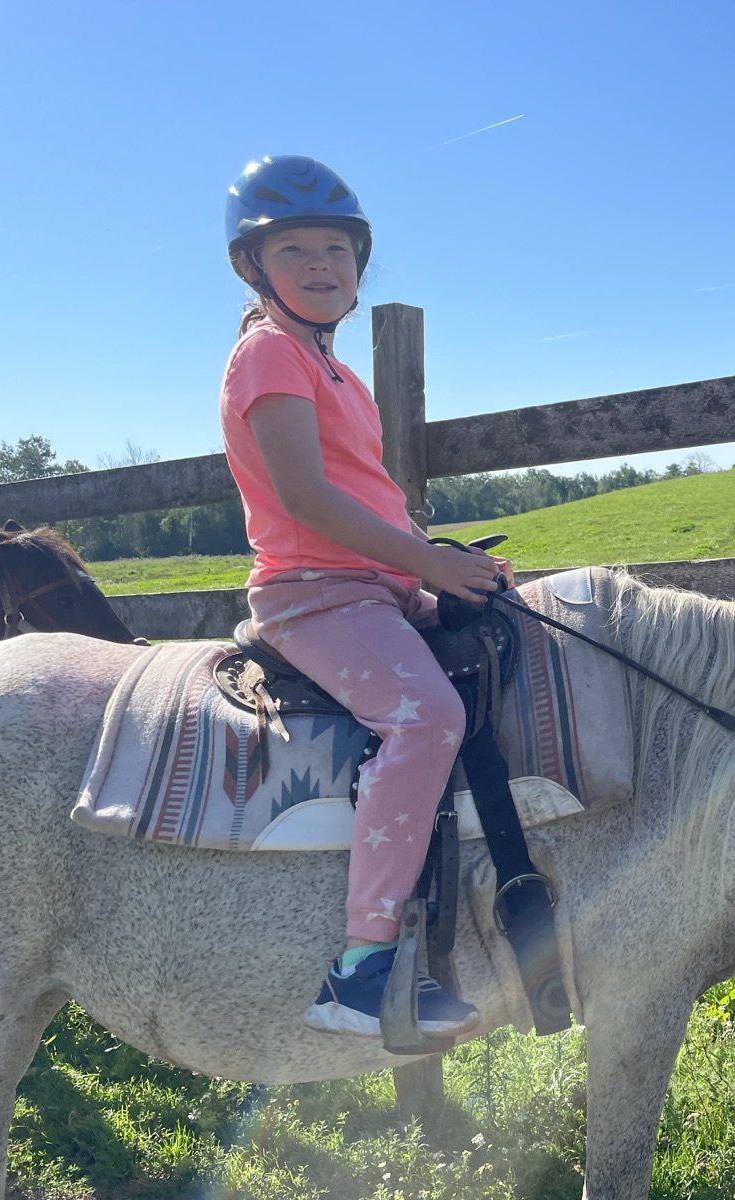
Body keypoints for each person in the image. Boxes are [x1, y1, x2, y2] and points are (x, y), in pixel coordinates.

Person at [219, 155, 505, 1038]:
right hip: (316, 594)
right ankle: (360, 969)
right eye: (294, 248)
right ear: (254, 268)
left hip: (373, 584)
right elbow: (306, 499)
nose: (320, 264)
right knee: (424, 718)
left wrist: (439, 561)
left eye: (337, 249)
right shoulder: (268, 354)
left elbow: (366, 490)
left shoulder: (332, 368)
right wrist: (425, 562)